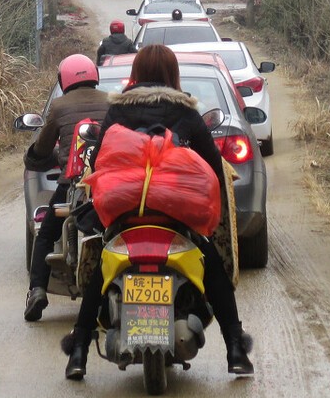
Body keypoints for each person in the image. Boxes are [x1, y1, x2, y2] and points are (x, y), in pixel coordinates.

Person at [63, 45, 253, 380]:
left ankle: (78, 351)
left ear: (136, 73)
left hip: (126, 210)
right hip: (174, 212)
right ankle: (235, 348)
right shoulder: (185, 111)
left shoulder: (119, 111)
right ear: (172, 74)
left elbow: (98, 162)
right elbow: (211, 164)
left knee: (101, 266)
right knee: (211, 265)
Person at [23, 55, 110, 322]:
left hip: (72, 182)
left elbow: (42, 147)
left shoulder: (59, 106)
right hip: (105, 182)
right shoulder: (110, 101)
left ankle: (37, 290)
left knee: (46, 233)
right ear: (94, 75)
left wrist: (35, 157)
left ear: (64, 80)